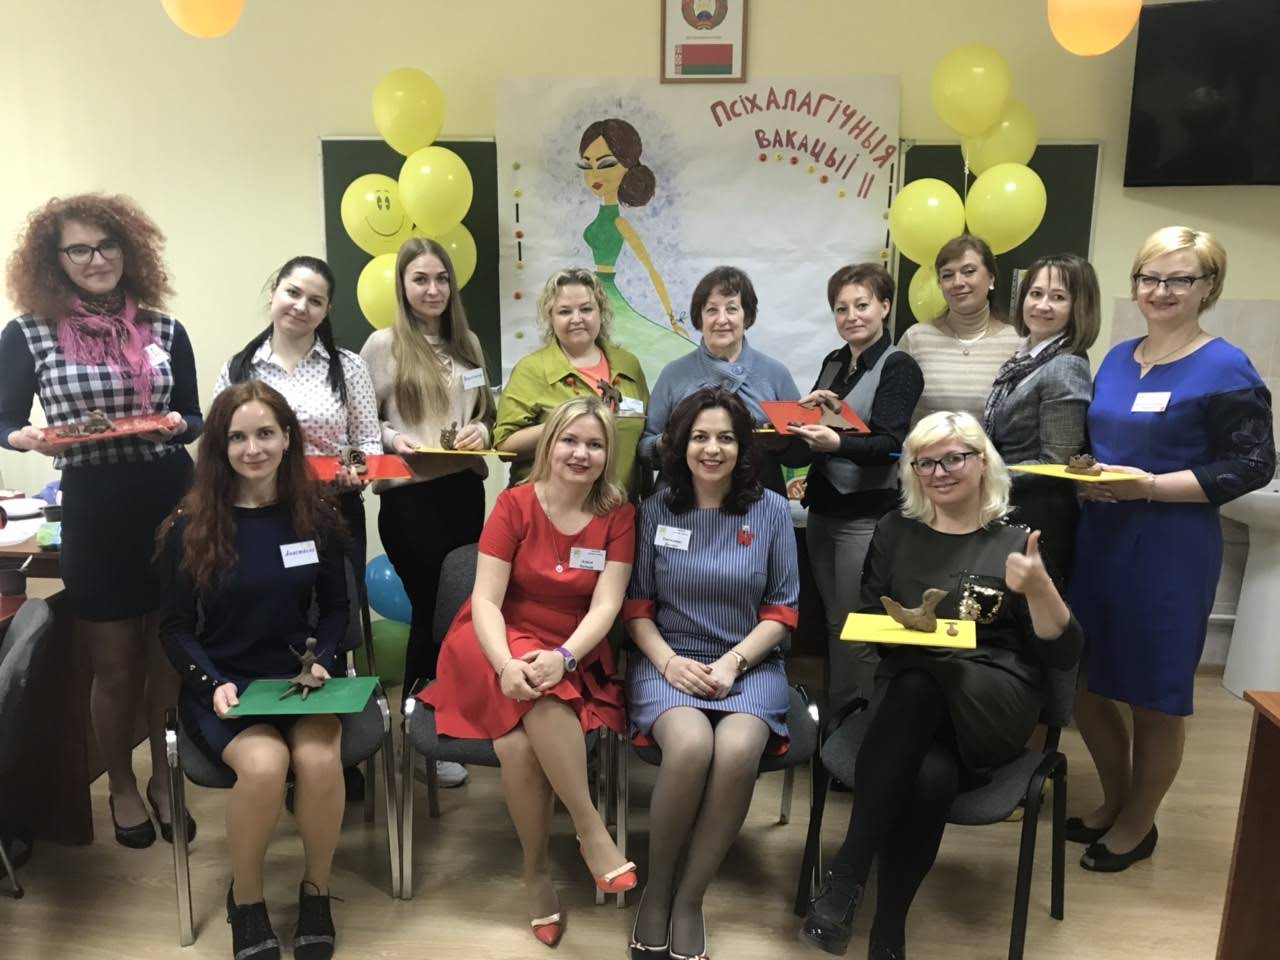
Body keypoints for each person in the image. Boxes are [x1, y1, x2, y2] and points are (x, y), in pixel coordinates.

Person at [800, 411, 1082, 960]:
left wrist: (1040, 588)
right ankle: (888, 935)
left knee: (920, 684)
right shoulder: (894, 529)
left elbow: (1065, 654)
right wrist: (896, 629)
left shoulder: (1017, 540)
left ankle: (845, 877)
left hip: (994, 697)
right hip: (908, 703)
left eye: (954, 458)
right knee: (928, 772)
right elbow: (869, 616)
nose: (939, 472)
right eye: (924, 463)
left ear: (983, 462)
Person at [1068, 226, 1274, 872]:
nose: (1160, 291)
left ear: (1208, 287)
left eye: (1179, 279)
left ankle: (1138, 823)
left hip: (1170, 548)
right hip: (1101, 541)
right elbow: (1102, 445)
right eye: (1149, 278)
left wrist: (1152, 486)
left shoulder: (1225, 367)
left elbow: (1253, 465)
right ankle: (1114, 798)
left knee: (1153, 694)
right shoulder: (1117, 358)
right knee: (1084, 682)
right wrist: (1086, 477)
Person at [0, 194, 201, 848]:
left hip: (171, 501)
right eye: (79, 249)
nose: (96, 259)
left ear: (129, 249)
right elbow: (5, 420)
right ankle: (119, 783)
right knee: (114, 666)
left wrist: (178, 425)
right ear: (55, 259)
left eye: (107, 245)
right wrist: (25, 438)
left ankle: (164, 779)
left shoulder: (166, 328)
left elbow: (194, 415)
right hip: (95, 508)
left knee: (168, 658)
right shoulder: (29, 332)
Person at [420, 396, 637, 948]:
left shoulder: (618, 515)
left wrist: (565, 656)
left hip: (569, 645)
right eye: (570, 440)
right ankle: (590, 828)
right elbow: (486, 601)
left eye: (595, 444)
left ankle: (536, 874)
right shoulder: (514, 503)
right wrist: (504, 663)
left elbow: (606, 606)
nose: (580, 453)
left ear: (608, 454)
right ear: (549, 445)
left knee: (517, 747)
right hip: (493, 640)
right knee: (542, 694)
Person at [159, 381, 348, 960]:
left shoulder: (315, 514)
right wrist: (211, 683)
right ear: (220, 447)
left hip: (300, 681)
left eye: (265, 433)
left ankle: (316, 893)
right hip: (227, 684)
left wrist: (325, 663)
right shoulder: (192, 525)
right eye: (237, 437)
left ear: (287, 437)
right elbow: (175, 628)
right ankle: (247, 900)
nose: (253, 449)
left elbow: (336, 609)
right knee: (265, 767)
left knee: (319, 760)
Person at [624, 388, 800, 960]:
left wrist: (732, 662)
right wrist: (669, 662)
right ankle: (657, 891)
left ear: (743, 447)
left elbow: (783, 610)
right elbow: (637, 607)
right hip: (668, 659)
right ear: (680, 445)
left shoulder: (771, 510)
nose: (712, 448)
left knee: (738, 749)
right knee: (692, 745)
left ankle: (689, 899)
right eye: (700, 436)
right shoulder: (655, 509)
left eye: (726, 437)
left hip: (749, 661)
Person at [360, 237, 495, 736]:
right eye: (420, 279)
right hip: (409, 497)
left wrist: (481, 432)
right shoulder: (382, 345)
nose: (433, 289)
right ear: (402, 285)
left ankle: (451, 716)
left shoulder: (469, 344)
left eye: (441, 279)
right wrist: (393, 439)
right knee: (430, 607)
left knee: (458, 608)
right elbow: (362, 421)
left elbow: (487, 415)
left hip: (463, 492)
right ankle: (423, 726)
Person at [792, 263, 923, 712]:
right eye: (841, 308)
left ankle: (864, 724)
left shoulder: (899, 366)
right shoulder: (834, 362)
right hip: (823, 510)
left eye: (862, 305)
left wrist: (837, 442)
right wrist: (800, 418)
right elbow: (814, 434)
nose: (851, 316)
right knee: (833, 621)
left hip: (867, 516)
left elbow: (890, 445)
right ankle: (839, 716)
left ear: (885, 306)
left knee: (859, 627)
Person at [216, 255, 380, 577]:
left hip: (334, 508)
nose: (301, 307)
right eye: (293, 293)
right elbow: (219, 443)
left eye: (315, 301)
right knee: (272, 600)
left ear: (326, 310)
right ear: (273, 293)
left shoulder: (349, 367)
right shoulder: (238, 369)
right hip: (260, 512)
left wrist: (358, 469)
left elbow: (368, 440)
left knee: (340, 599)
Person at [982, 253, 1098, 581]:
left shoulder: (1065, 365)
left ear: (1079, 307)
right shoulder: (1026, 358)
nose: (1042, 305)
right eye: (1036, 293)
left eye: (1058, 297)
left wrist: (981, 475)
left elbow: (1055, 463)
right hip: (1010, 505)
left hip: (1038, 516)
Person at [640, 266, 805, 495]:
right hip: (682, 502)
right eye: (711, 310)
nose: (722, 319)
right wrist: (668, 441)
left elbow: (802, 454)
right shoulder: (673, 374)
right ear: (699, 318)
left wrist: (783, 443)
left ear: (747, 315)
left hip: (760, 502)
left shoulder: (775, 374)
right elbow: (644, 450)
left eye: (731, 309)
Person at [495, 268, 649, 498]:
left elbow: (644, 437)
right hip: (549, 508)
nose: (577, 319)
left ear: (601, 312)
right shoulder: (532, 370)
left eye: (586, 309)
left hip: (619, 507)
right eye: (565, 311)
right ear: (551, 318)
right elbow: (505, 447)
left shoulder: (629, 365)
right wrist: (565, 423)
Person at [578, 118, 695, 383]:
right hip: (595, 294)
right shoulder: (603, 217)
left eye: (606, 164)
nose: (594, 174)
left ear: (628, 166)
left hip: (610, 297)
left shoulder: (620, 223)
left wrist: (672, 319)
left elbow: (650, 269)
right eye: (587, 165)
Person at [899, 235, 1021, 426]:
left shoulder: (1017, 343)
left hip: (992, 447)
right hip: (925, 445)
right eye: (947, 275)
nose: (957, 282)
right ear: (940, 284)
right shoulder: (916, 339)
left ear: (991, 278)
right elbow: (895, 413)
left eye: (969, 271)